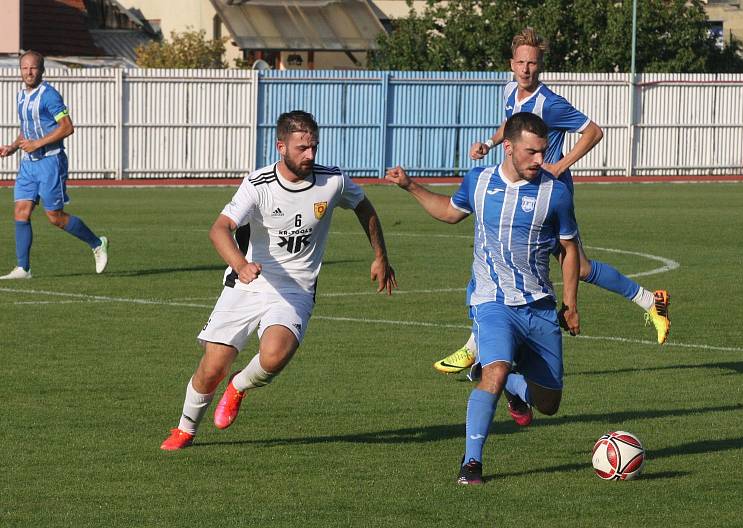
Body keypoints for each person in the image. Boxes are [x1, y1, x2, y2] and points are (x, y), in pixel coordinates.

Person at [433, 27, 669, 375]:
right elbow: (511, 125)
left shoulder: (550, 103)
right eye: (522, 63)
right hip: (530, 188)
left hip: (546, 194)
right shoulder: (511, 90)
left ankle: (476, 347)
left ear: (540, 65)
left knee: (500, 256)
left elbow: (594, 131)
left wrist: (560, 164)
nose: (527, 69)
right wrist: (490, 143)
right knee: (578, 267)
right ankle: (652, 300)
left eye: (533, 63)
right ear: (511, 64)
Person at [161, 110, 397, 450]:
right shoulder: (257, 184)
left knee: (274, 356)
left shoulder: (333, 181)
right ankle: (185, 428)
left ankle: (239, 386)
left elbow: (364, 207)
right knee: (213, 365)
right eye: (302, 148)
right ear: (280, 147)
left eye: (314, 147)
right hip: (248, 281)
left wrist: (381, 256)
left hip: (295, 288)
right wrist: (240, 265)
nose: (310, 155)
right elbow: (219, 229)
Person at [387, 112, 580, 484]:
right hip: (491, 301)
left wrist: (570, 305)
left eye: (542, 152)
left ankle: (511, 383)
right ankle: (471, 463)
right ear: (508, 148)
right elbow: (449, 212)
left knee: (549, 404)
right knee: (494, 370)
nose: (540, 160)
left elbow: (570, 250)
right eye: (531, 152)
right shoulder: (479, 181)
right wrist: (411, 186)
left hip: (539, 306)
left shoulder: (555, 193)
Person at [0, 50, 108, 279]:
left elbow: (67, 127)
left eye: (33, 68)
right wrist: (13, 146)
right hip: (29, 164)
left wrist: (37, 143)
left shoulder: (49, 96)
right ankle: (23, 268)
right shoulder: (21, 96)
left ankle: (97, 243)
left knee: (55, 217)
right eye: (25, 68)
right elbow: (27, 130)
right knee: (21, 211)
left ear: (42, 70)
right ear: (20, 70)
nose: (29, 72)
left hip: (51, 162)